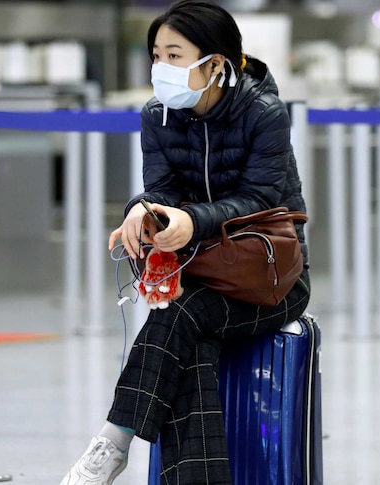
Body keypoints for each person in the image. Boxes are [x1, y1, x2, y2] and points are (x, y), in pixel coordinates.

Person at [59, 1, 311, 484]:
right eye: (156, 55)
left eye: (174, 55)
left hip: (271, 279)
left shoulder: (265, 114)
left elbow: (259, 198)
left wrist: (191, 221)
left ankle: (113, 442)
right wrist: (144, 210)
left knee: (177, 315)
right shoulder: (157, 115)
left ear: (215, 63)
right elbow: (162, 189)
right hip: (199, 277)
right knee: (186, 337)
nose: (161, 68)